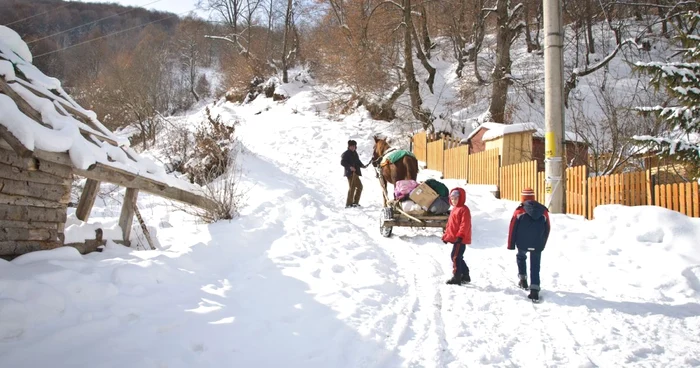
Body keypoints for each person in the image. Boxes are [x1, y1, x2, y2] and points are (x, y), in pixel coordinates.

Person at [507, 188, 551, 301]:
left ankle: (523, 279)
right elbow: (547, 228)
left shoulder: (519, 211)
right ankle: (535, 290)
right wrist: (542, 243)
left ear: (523, 198)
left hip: (522, 243)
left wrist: (511, 244)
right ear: (533, 197)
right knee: (535, 265)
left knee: (521, 257)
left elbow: (512, 228)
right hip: (537, 243)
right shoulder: (543, 211)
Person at [442, 187, 472, 285]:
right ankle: (465, 275)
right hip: (456, 238)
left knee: (455, 256)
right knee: (457, 256)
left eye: (456, 198)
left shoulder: (464, 210)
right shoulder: (454, 209)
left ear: (461, 198)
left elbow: (465, 224)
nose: (454, 201)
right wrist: (446, 236)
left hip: (460, 239)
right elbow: (450, 225)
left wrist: (460, 235)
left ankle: (457, 276)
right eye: (452, 199)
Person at [341, 139, 366, 208]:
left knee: (359, 187)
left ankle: (355, 202)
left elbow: (358, 161)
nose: (352, 147)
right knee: (352, 188)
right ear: (349, 147)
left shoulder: (355, 153)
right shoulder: (346, 153)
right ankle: (349, 204)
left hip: (355, 173)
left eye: (354, 146)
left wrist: (363, 165)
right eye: (351, 146)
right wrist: (350, 167)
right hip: (350, 173)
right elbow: (342, 162)